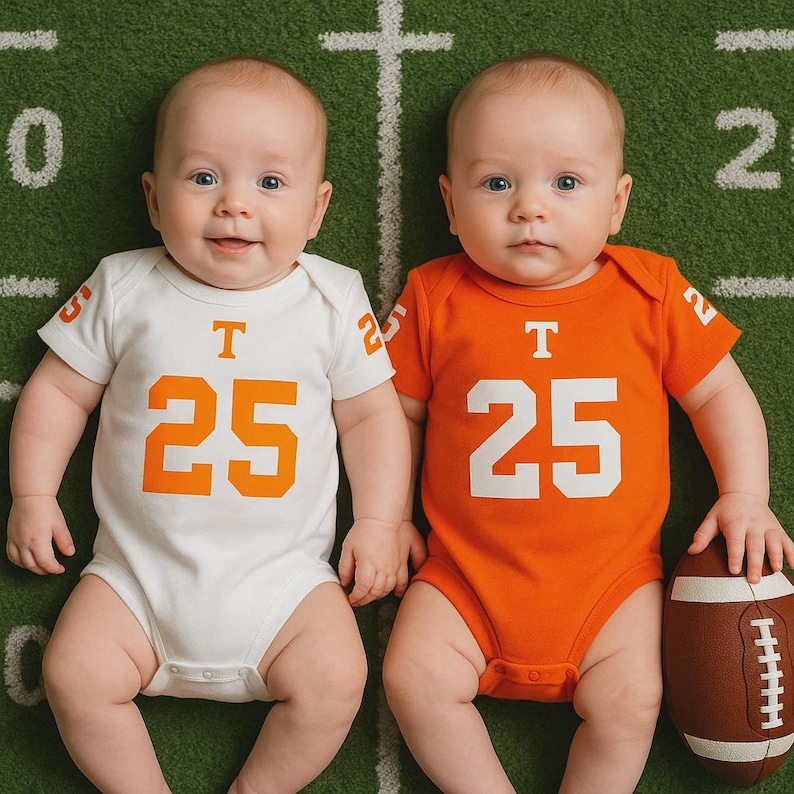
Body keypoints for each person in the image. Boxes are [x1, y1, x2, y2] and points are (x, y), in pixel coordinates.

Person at [381, 51, 794, 793]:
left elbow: (721, 396)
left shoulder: (651, 291)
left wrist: (745, 494)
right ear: (449, 203)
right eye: (496, 182)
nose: (529, 207)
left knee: (632, 702)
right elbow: (394, 417)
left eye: (566, 183)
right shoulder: (433, 295)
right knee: (413, 679)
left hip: (614, 586)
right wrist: (384, 516)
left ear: (617, 203)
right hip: (464, 578)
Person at [6, 55, 413, 793]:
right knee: (72, 673)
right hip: (136, 578)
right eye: (202, 178)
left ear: (317, 210)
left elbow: (372, 417)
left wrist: (382, 520)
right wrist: (33, 496)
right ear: (153, 198)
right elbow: (59, 395)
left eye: (270, 183)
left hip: (286, 585)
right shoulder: (124, 286)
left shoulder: (330, 299)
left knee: (336, 680)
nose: (234, 205)